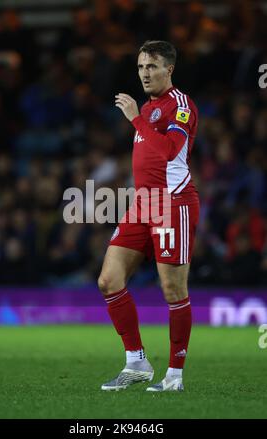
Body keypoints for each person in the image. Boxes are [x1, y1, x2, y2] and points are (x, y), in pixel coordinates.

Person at [98, 40, 199, 392]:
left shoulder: (180, 105)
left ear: (169, 69)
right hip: (144, 203)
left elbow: (171, 152)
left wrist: (136, 120)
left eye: (152, 66)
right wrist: (141, 117)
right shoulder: (149, 106)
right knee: (109, 280)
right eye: (141, 66)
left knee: (173, 290)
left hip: (173, 204)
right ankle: (136, 362)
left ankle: (174, 375)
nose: (144, 73)